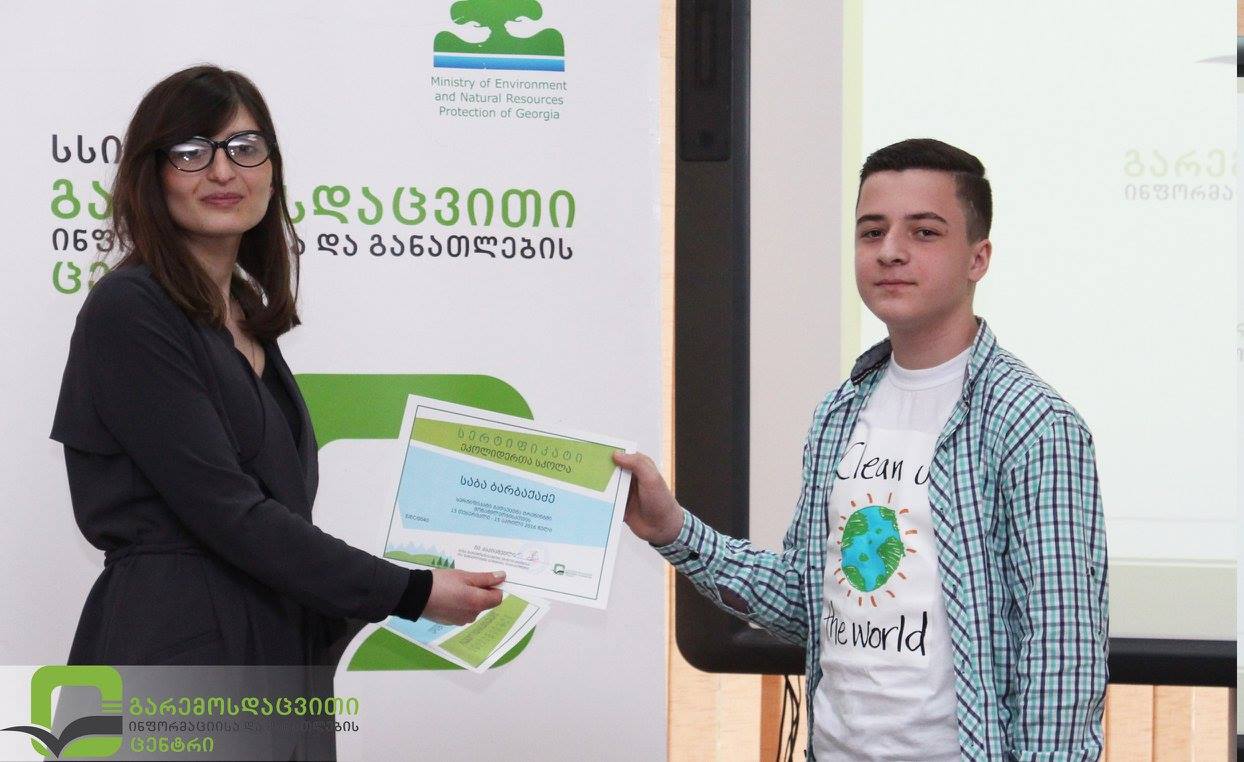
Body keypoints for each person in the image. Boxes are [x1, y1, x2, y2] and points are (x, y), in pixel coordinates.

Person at [49, 65, 505, 750]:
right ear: (152, 174)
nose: (222, 171)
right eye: (191, 151)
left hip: (275, 661)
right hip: (175, 659)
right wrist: (410, 591)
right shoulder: (131, 309)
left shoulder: (245, 318)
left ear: (272, 171)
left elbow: (275, 521)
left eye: (245, 148)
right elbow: (230, 513)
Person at [615, 139, 1108, 761]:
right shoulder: (840, 412)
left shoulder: (1032, 422)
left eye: (924, 232)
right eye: (872, 231)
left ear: (977, 258)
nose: (890, 251)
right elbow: (806, 602)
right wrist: (673, 530)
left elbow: (1063, 653)